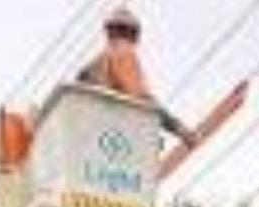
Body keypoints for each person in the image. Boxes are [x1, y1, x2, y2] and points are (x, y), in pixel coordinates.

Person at [78, 6, 198, 146]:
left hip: (92, 137)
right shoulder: (124, 53)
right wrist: (179, 128)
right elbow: (142, 99)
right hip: (116, 136)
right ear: (132, 33)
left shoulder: (94, 65)